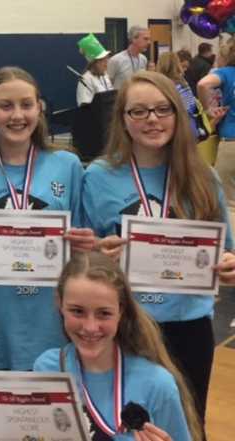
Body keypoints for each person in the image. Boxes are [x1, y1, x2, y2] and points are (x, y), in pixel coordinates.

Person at [82, 70, 234, 429]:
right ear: (123, 119)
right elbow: (79, 259)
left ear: (178, 114)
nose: (152, 119)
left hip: (187, 325)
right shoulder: (98, 177)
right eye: (139, 111)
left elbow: (226, 249)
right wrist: (97, 256)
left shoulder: (202, 176)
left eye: (163, 109)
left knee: (188, 423)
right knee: (123, 426)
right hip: (123, 325)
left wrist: (229, 263)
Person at [0, 66, 96, 370]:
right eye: (6, 105)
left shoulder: (67, 165)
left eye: (26, 104)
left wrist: (86, 245)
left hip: (57, 310)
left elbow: (85, 245)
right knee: (11, 406)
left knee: (62, 407)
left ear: (39, 108)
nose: (17, 115)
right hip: (2, 313)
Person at [34, 251, 202, 441]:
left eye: (104, 313)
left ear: (121, 311)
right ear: (60, 304)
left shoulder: (157, 384)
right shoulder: (47, 367)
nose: (90, 327)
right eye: (77, 311)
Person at [198, 39, 235, 226]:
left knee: (229, 203)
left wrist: (208, 109)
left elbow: (203, 84)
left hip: (231, 142)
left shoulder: (227, 74)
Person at [156, 52, 199, 139]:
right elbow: (191, 105)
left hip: (173, 129)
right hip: (189, 126)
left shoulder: (160, 85)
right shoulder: (183, 83)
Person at [76, 33, 113, 106]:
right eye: (102, 60)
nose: (106, 64)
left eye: (106, 59)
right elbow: (85, 107)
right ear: (94, 63)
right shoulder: (85, 80)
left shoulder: (104, 75)